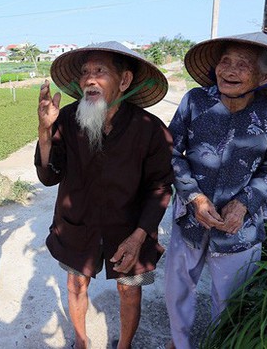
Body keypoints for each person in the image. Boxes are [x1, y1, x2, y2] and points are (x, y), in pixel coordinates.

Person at [163, 32, 267, 349]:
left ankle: (223, 344)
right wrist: (194, 196)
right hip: (191, 218)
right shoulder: (195, 101)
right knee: (178, 290)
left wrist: (245, 203)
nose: (229, 70)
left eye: (242, 64)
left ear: (266, 75)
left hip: (240, 225)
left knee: (232, 300)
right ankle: (179, 344)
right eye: (225, 61)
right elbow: (172, 153)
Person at [35, 41, 174, 349]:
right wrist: (44, 131)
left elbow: (161, 187)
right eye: (85, 72)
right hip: (77, 223)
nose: (89, 79)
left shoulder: (151, 129)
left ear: (124, 81)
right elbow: (48, 176)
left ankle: (124, 345)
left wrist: (139, 237)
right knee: (75, 284)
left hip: (131, 227)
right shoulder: (68, 120)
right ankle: (81, 342)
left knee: (130, 291)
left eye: (100, 71)